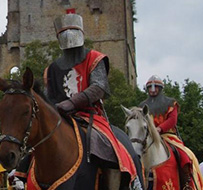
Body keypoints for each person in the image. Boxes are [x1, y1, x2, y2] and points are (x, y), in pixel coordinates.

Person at [42, 12, 136, 188]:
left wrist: (73, 102)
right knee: (35, 143)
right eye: (65, 33)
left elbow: (98, 87)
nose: (69, 38)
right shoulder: (53, 68)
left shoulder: (94, 58)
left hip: (90, 115)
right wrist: (53, 108)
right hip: (60, 118)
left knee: (112, 147)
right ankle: (20, 175)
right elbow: (50, 97)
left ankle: (124, 181)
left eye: (73, 32)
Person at [139, 75, 195, 184]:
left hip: (167, 135)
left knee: (182, 154)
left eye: (155, 87)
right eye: (150, 87)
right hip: (148, 136)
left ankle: (186, 179)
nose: (153, 90)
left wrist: (159, 129)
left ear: (160, 89)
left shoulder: (170, 103)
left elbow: (172, 120)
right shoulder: (142, 106)